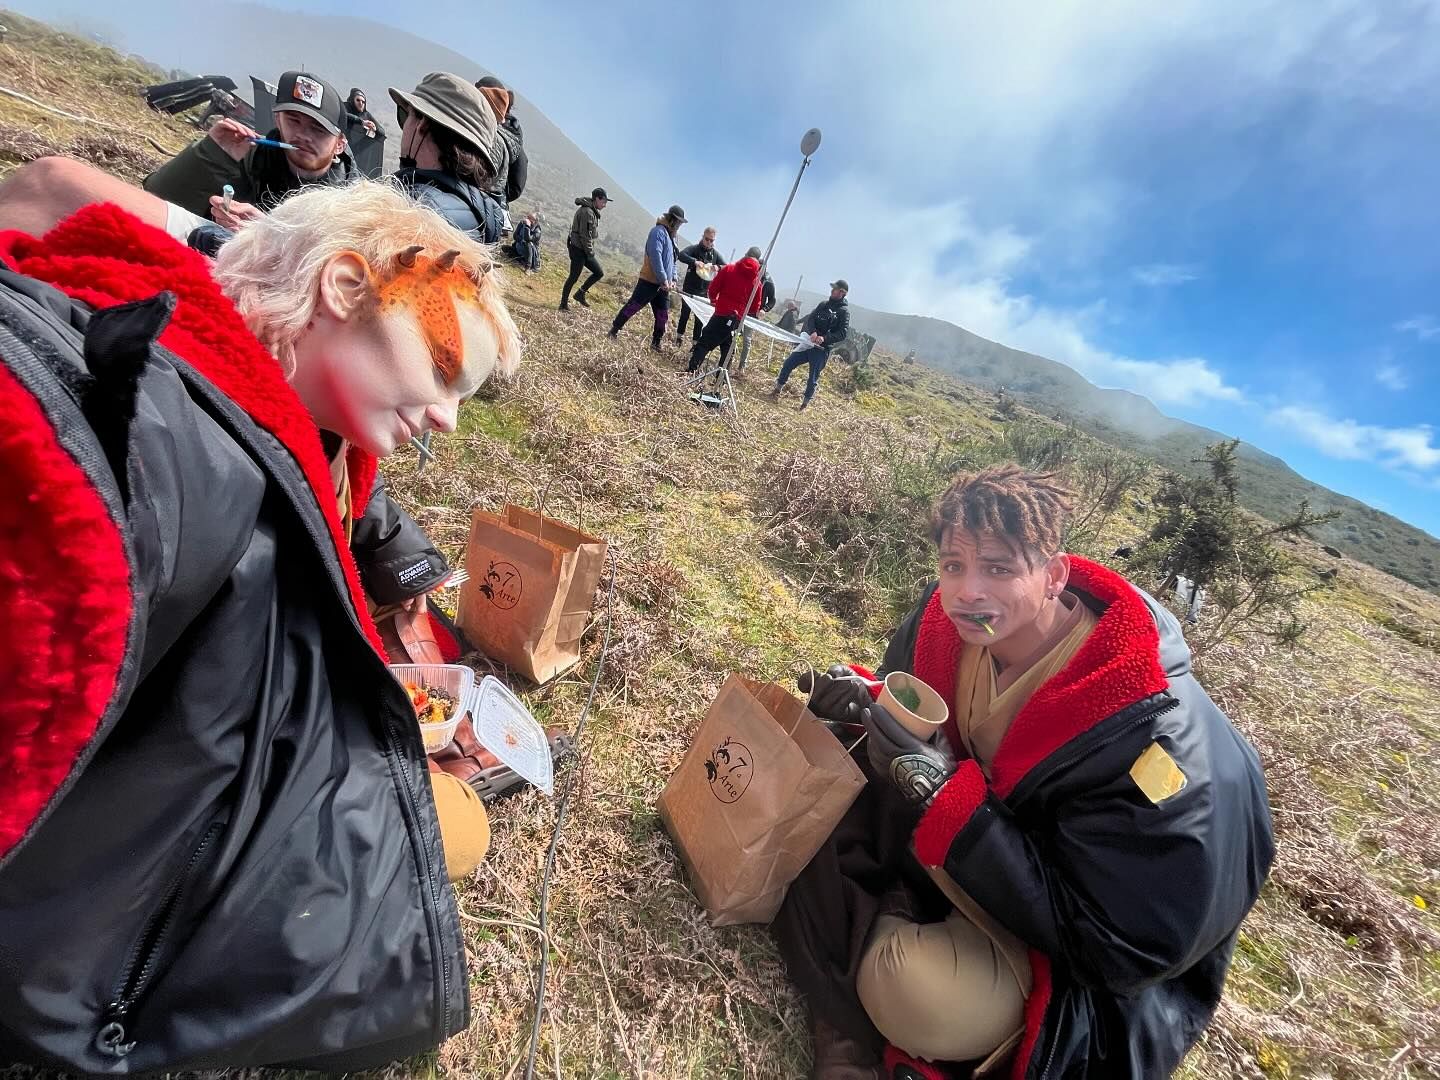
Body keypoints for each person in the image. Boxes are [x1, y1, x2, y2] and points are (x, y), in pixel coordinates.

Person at [0, 174, 522, 1071]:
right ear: (345, 287)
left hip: (170, 798)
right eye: (442, 369)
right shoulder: (159, 439)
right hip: (114, 904)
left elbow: (45, 190)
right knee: (458, 829)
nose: (446, 416)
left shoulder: (277, 393)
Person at [774, 466, 1275, 1080]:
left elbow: (1113, 949)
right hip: (981, 865)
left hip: (1071, 956)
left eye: (1000, 568)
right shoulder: (943, 628)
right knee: (813, 788)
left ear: (1054, 575)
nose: (967, 592)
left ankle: (864, 949)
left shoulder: (1145, 737)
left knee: (914, 992)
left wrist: (945, 799)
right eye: (953, 564)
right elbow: (928, 720)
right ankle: (880, 924)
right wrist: (868, 703)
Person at [143, 70, 353, 239]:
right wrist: (210, 155)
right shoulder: (245, 155)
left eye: (318, 129)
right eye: (293, 120)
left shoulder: (352, 202)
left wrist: (268, 236)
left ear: (340, 144)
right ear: (278, 120)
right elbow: (154, 201)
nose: (303, 135)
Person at [390, 72, 506, 244]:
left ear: (422, 125)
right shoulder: (479, 216)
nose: (404, 126)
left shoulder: (405, 212)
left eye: (406, 115)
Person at [609, 204, 686, 351]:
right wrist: (663, 278)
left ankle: (656, 342)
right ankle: (614, 330)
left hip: (664, 287)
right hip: (649, 281)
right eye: (678, 222)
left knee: (663, 315)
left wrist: (673, 279)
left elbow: (673, 261)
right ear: (671, 220)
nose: (679, 226)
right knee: (633, 306)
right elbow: (655, 257)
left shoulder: (673, 239)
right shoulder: (657, 232)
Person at [769, 279, 850, 410]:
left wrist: (824, 338)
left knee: (812, 378)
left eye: (835, 289)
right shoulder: (823, 304)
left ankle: (804, 404)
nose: (831, 291)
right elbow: (811, 318)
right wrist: (812, 332)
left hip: (821, 350)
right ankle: (777, 389)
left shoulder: (844, 312)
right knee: (789, 363)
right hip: (808, 343)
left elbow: (842, 333)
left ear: (842, 293)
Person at [687, 245, 763, 373]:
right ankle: (720, 381)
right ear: (758, 261)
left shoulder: (729, 269)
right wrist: (742, 310)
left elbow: (712, 289)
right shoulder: (757, 282)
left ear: (745, 254)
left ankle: (691, 370)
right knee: (728, 351)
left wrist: (714, 301)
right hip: (736, 321)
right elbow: (755, 307)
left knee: (705, 342)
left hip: (721, 314)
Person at [475, 76, 528, 205]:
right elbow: (517, 183)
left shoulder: (488, 131)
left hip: (476, 199)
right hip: (495, 204)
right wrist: (500, 193)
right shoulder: (513, 134)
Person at [560, 186, 608, 310]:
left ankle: (580, 293)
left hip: (583, 250)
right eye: (604, 202)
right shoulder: (587, 212)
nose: (604, 205)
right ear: (597, 199)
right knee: (573, 277)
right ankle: (563, 305)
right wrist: (590, 253)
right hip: (579, 249)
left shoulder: (591, 211)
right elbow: (585, 236)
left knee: (598, 273)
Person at [674, 226, 723, 343]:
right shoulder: (695, 249)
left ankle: (695, 343)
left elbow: (726, 266)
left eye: (712, 240)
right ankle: (679, 338)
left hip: (703, 293)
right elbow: (681, 255)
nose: (709, 242)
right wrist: (694, 262)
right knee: (684, 315)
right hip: (689, 289)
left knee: (699, 320)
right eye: (707, 239)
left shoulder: (715, 254)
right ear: (703, 237)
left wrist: (718, 266)